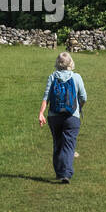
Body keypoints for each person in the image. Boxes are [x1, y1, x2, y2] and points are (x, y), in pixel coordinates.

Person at [38, 52, 87, 183]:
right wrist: (79, 107)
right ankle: (66, 173)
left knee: (58, 143)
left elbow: (46, 97)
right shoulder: (77, 77)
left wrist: (41, 113)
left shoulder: (53, 77)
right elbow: (84, 97)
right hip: (72, 117)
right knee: (69, 145)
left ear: (57, 63)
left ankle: (59, 172)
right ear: (71, 62)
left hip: (54, 116)